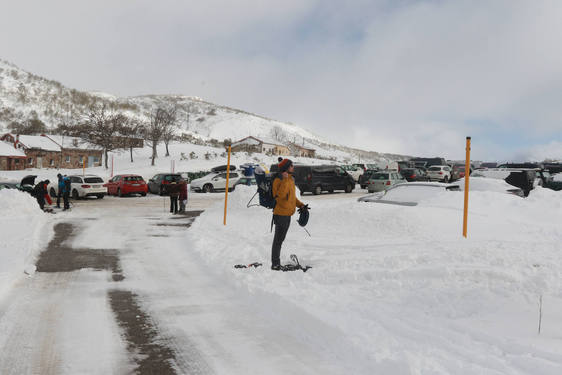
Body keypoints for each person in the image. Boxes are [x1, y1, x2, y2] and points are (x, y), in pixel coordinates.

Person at [271, 159, 306, 270]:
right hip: (280, 214)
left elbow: (292, 198)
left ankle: (276, 262)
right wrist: (285, 180)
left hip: (288, 214)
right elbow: (279, 196)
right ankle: (275, 264)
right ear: (286, 167)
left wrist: (301, 205)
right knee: (278, 240)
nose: (293, 167)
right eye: (291, 165)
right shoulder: (278, 180)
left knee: (281, 239)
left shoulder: (290, 179)